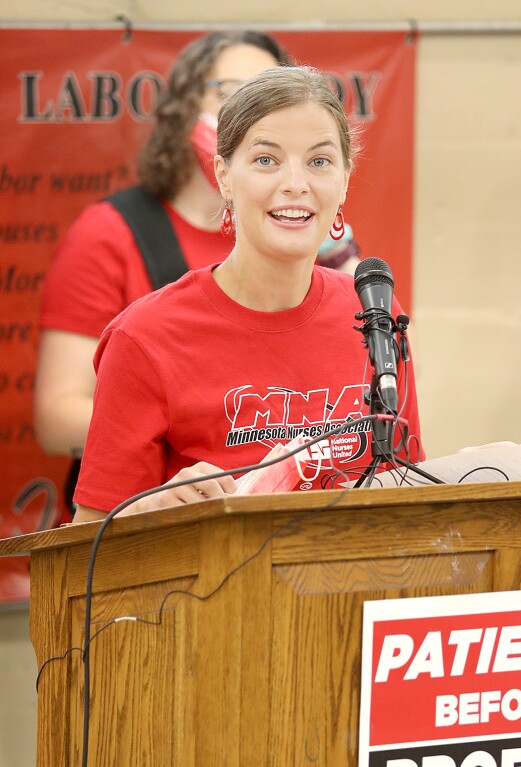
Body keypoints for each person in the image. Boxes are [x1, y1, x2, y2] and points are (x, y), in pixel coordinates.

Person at [71, 65, 421, 521]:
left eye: (319, 161)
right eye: (266, 160)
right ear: (224, 177)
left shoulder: (374, 312)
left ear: (344, 180)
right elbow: (86, 555)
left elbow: (410, 493)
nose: (296, 183)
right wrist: (151, 514)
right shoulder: (144, 337)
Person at [35, 31, 360, 507]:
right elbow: (57, 414)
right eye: (230, 92)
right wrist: (169, 441)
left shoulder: (332, 262)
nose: (294, 182)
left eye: (268, 90)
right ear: (186, 108)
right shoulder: (116, 241)